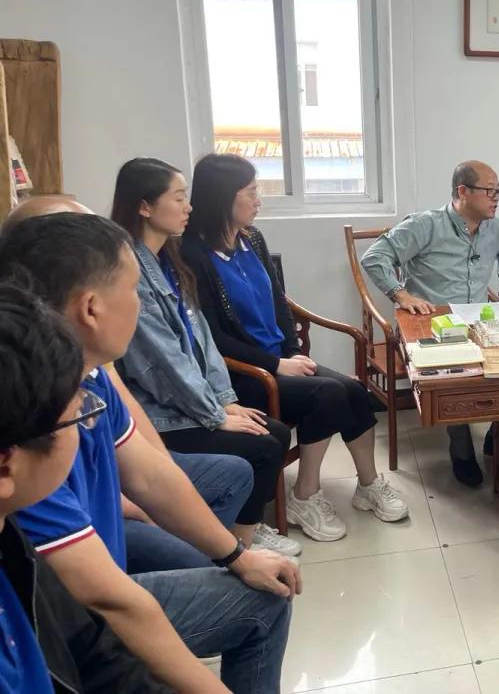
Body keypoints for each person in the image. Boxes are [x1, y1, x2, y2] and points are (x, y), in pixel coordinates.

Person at [0, 213, 299, 694]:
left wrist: (236, 555)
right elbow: (105, 602)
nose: (141, 304)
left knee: (234, 532)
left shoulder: (90, 374)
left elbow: (152, 475)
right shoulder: (33, 425)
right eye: (134, 290)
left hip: (95, 584)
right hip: (76, 617)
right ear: (91, 308)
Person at [4, 192, 259, 572]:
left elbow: (144, 467)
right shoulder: (34, 395)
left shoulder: (90, 369)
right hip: (75, 567)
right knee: (234, 586)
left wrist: (235, 557)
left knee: (229, 481)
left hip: (104, 515)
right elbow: (89, 585)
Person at [182, 153, 408, 535]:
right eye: (251, 192)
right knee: (327, 395)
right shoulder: (192, 255)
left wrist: (291, 352)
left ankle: (368, 485)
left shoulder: (252, 238)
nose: (258, 201)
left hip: (279, 360)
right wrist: (275, 365)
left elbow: (279, 302)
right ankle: (304, 496)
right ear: (222, 197)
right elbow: (212, 338)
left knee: (354, 389)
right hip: (241, 376)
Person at [111, 158, 302, 556]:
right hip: (162, 413)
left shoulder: (170, 257)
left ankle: (243, 532)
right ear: (145, 206)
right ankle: (238, 548)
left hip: (195, 399)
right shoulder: (132, 272)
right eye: (178, 198)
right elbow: (163, 364)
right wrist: (215, 414)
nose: (189, 207)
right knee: (264, 445)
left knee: (275, 432)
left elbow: (203, 339)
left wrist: (226, 400)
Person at [0, 281, 171, 693]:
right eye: (79, 415)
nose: (88, 421)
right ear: (5, 466)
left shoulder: (12, 540)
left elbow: (93, 651)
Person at [362, 160, 499, 487]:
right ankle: (461, 450)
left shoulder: (494, 228)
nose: (496, 198)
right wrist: (401, 295)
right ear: (463, 191)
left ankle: (498, 434)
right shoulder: (425, 225)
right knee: (456, 371)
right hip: (428, 325)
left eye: (498, 192)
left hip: (478, 320)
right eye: (489, 191)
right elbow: (374, 257)